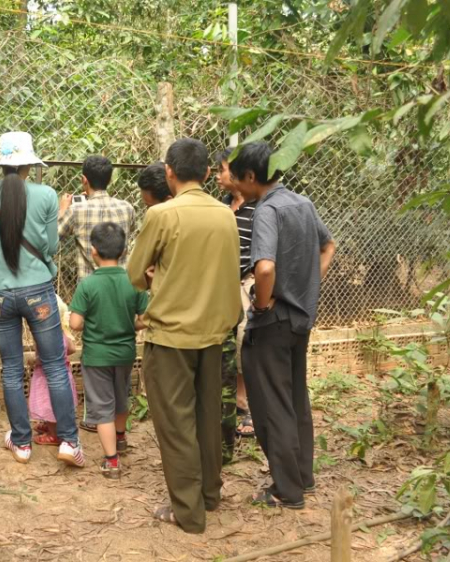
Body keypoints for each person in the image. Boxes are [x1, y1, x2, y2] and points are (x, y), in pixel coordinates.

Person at [127, 138, 241, 533]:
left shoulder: (162, 215)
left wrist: (158, 276)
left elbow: (135, 274)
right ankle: (210, 493)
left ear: (169, 172)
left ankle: (189, 512)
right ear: (209, 173)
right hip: (214, 334)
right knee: (208, 417)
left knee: (176, 424)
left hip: (171, 336)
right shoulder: (226, 214)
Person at [229, 141, 336, 509]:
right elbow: (328, 246)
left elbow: (265, 267)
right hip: (299, 320)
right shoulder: (302, 203)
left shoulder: (266, 211)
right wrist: (307, 288)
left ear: (250, 176)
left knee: (271, 404)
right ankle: (302, 478)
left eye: (236, 176)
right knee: (294, 399)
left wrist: (261, 302)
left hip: (272, 322)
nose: (235, 184)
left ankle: (286, 491)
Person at [0, 131, 83, 467]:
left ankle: (21, 443)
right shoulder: (47, 194)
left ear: (1, 162)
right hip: (39, 293)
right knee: (53, 366)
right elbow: (50, 247)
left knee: (10, 369)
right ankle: (69, 441)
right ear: (29, 163)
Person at [69, 222, 148, 479]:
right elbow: (144, 319)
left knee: (102, 407)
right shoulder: (134, 282)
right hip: (126, 353)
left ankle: (111, 460)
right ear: (124, 250)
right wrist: (127, 323)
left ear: (93, 251)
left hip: (97, 355)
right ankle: (121, 437)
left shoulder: (87, 285)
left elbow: (75, 323)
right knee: (121, 395)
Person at [215, 148, 259, 446]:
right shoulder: (222, 206)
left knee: (245, 342)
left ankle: (248, 408)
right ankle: (236, 404)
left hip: (247, 282)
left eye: (222, 169)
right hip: (221, 282)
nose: (218, 175)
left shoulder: (259, 208)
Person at [58, 155, 135, 281]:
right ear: (110, 180)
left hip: (89, 287)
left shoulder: (76, 210)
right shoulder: (127, 208)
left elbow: (52, 238)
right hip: (122, 284)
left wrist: (62, 210)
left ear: (84, 180)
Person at [28, 296, 79, 446]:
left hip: (45, 376)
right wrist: (62, 356)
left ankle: (53, 434)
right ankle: (51, 426)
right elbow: (72, 348)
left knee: (47, 404)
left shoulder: (41, 336)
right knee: (56, 403)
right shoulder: (62, 331)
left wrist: (33, 361)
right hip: (65, 372)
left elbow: (44, 357)